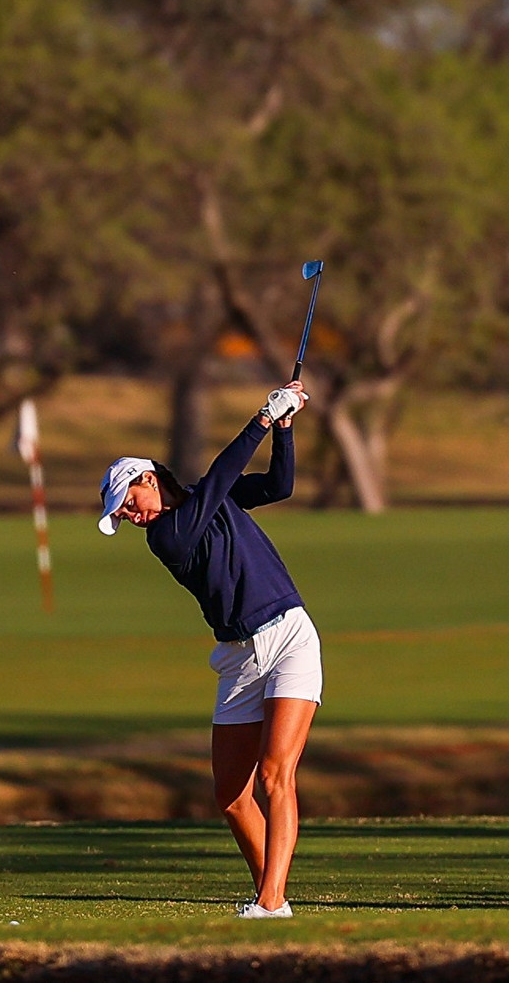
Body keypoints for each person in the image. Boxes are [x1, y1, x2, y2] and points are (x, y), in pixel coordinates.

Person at [98, 378, 317, 919]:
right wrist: (262, 417)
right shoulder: (166, 537)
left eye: (128, 503)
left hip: (289, 637)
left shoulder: (205, 500)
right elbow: (221, 477)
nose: (131, 516)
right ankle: (275, 897)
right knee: (231, 796)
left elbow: (279, 486)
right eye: (123, 515)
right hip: (238, 659)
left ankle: (270, 901)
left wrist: (282, 429)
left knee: (275, 774)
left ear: (149, 480)